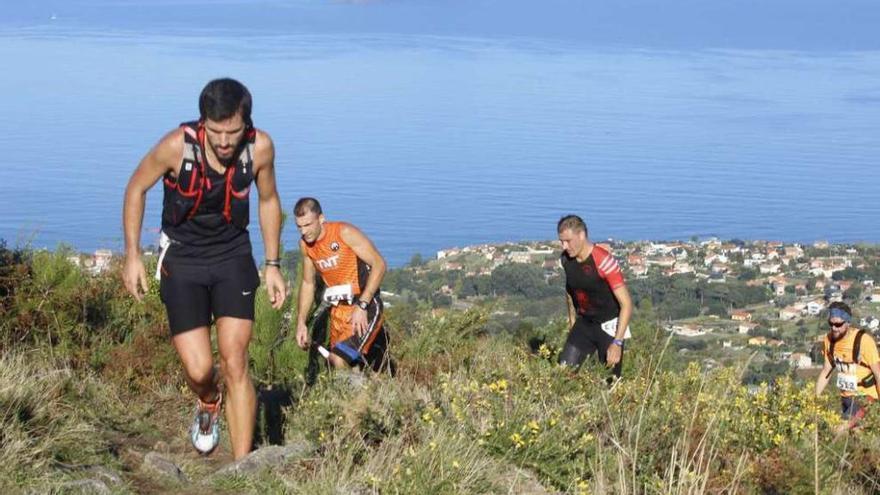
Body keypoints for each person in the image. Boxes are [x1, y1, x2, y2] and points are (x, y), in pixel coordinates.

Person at [122, 78, 286, 460]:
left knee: (236, 361)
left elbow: (268, 199)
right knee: (199, 370)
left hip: (232, 255)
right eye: (216, 132)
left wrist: (273, 264)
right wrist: (132, 255)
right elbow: (135, 188)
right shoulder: (176, 147)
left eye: (233, 132)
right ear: (203, 124)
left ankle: (241, 466)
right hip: (183, 258)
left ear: (246, 123)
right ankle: (210, 400)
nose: (225, 142)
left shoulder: (259, 147)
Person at [293, 197, 390, 371]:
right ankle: (359, 396)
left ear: (321, 219)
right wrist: (301, 322)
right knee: (340, 365)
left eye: (308, 225)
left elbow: (380, 264)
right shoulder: (306, 246)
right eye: (299, 226)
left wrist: (362, 305)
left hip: (364, 306)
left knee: (339, 359)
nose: (303, 232)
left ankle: (357, 395)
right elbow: (308, 283)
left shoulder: (343, 232)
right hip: (339, 311)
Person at [556, 215, 633, 378]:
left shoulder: (603, 261)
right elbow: (571, 290)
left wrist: (617, 342)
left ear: (582, 235)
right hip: (584, 324)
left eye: (568, 241)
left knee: (610, 383)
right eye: (561, 241)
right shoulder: (566, 260)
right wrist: (572, 320)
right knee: (563, 376)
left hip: (609, 328)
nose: (564, 246)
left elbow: (626, 304)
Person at [815, 302, 880, 430]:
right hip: (845, 398)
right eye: (831, 324)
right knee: (855, 436)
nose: (834, 328)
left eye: (838, 324)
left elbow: (878, 374)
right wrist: (814, 400)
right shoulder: (829, 341)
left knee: (839, 429)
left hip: (865, 397)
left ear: (848, 323)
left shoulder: (864, 341)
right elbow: (826, 372)